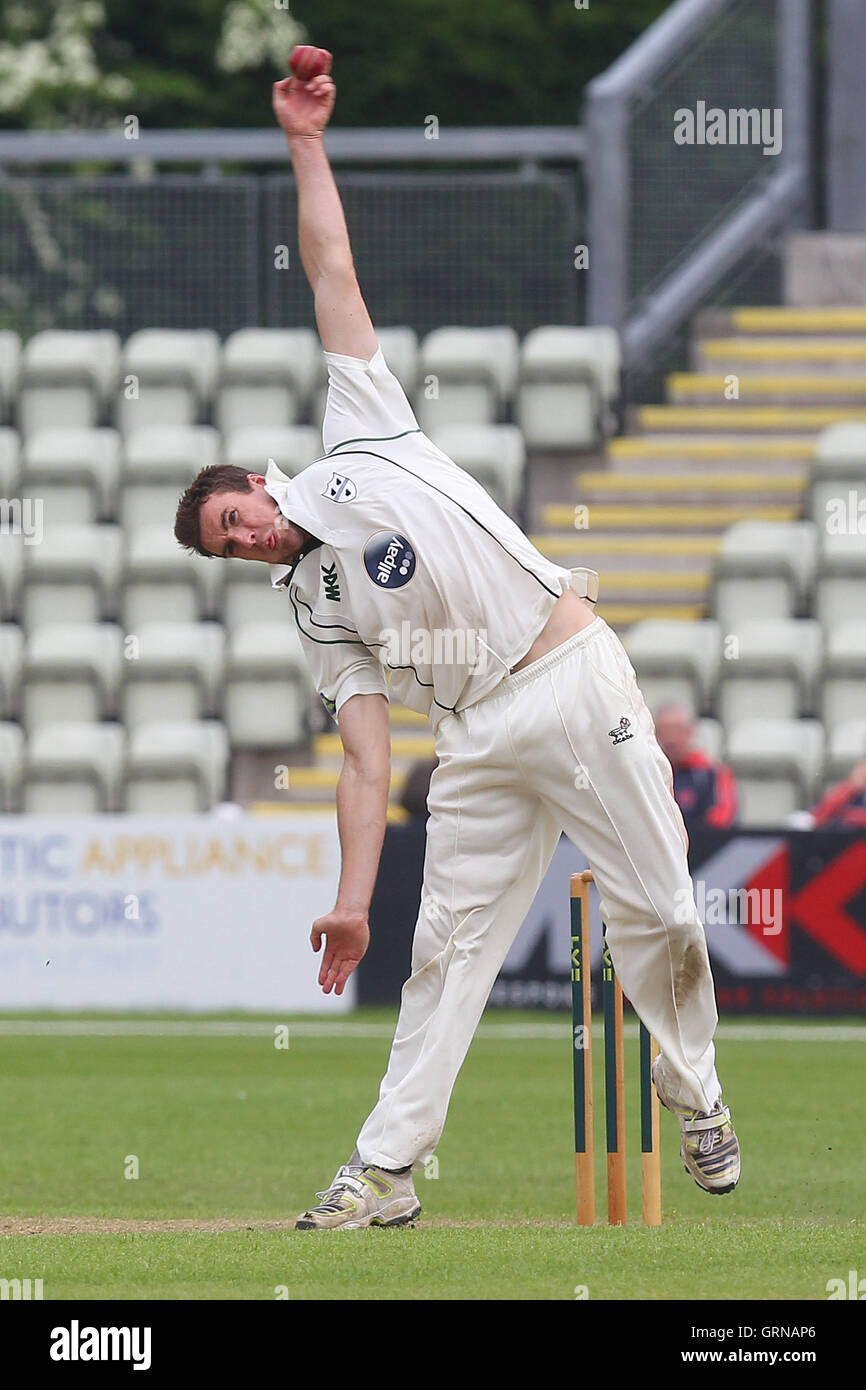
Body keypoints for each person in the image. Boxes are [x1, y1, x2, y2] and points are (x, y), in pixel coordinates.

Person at [174, 52, 740, 1230]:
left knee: (666, 912)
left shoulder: (359, 432)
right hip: (476, 734)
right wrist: (350, 899)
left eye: (237, 519)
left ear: (260, 482)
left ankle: (694, 1095)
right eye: (230, 550)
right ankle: (383, 1172)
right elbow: (370, 759)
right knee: (443, 955)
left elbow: (329, 265)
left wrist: (304, 143)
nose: (248, 543)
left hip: (571, 672)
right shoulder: (314, 609)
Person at [654, 702, 738, 829]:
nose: (671, 738)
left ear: (691, 731)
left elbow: (724, 817)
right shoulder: (650, 773)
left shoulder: (713, 772)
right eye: (665, 730)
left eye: (678, 729)